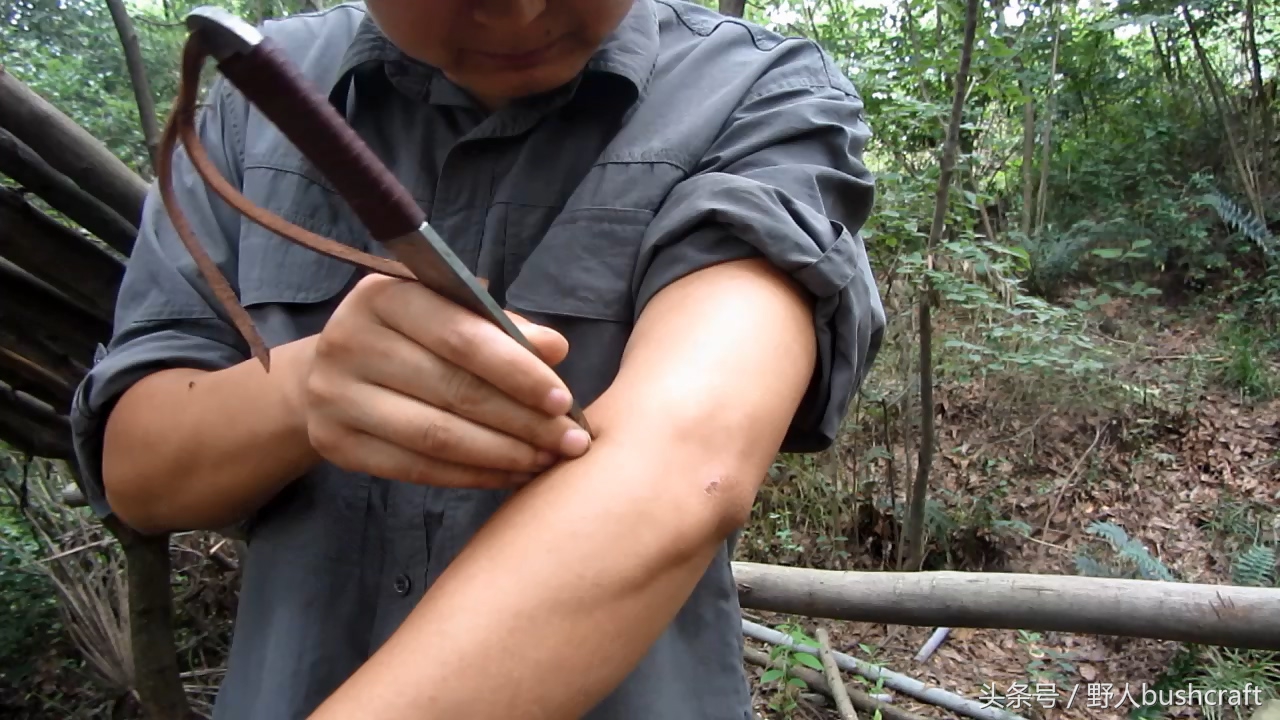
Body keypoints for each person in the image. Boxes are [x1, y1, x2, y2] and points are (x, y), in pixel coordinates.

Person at [69, 0, 885, 718]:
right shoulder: (256, 110)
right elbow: (140, 472)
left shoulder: (757, 94)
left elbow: (684, 466)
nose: (518, 11)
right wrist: (310, 390)